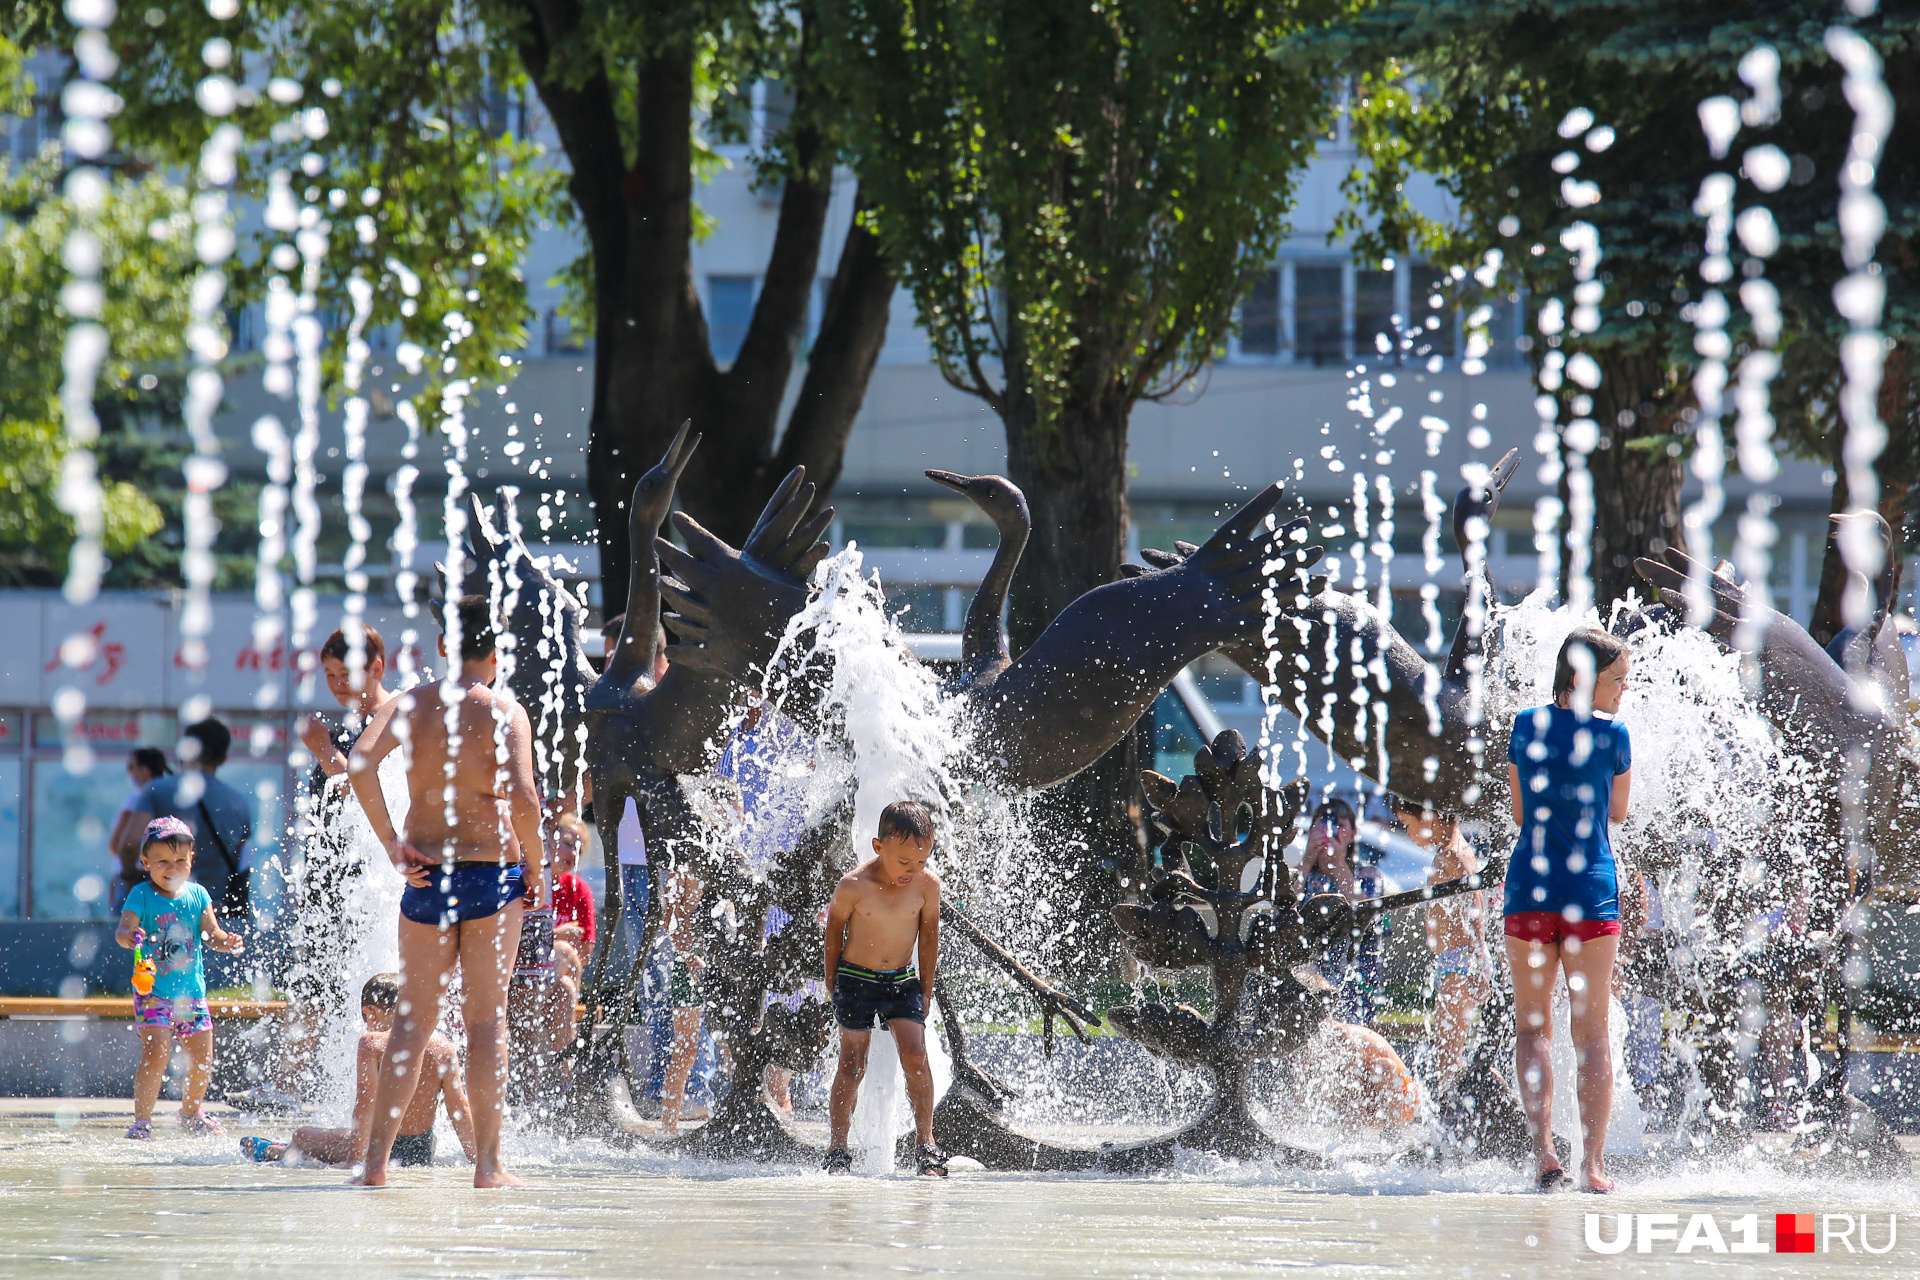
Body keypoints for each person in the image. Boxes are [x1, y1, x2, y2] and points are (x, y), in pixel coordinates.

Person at [346, 594, 547, 1188]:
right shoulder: (506, 712)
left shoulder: (412, 705)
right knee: (486, 1022)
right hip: (491, 875)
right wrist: (535, 869)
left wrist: (391, 844)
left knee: (411, 1020)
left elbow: (359, 762)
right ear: (496, 650)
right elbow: (528, 803)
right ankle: (488, 1166)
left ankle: (375, 1166)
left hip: (428, 874)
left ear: (441, 645)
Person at [235, 626, 402, 1113]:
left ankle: (378, 1093)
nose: (336, 685)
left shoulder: (393, 720)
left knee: (377, 982)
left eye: (345, 674)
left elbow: (368, 796)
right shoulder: (348, 723)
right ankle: (288, 1083)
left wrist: (324, 752)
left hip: (372, 880)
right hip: (333, 880)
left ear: (376, 667)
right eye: (329, 676)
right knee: (312, 980)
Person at [1504, 626, 1633, 1194]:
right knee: (1592, 1035)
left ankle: (1542, 1155)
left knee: (1533, 1026)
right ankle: (1594, 1167)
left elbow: (1517, 811)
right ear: (1582, 678)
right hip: (1590, 895)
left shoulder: (1525, 725)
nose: (1624, 691)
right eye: (1617, 680)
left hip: (1530, 889)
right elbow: (1619, 814)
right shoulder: (1614, 737)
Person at [821, 800, 946, 1177]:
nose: (913, 870)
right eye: (904, 862)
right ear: (879, 847)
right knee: (852, 1063)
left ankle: (927, 1143)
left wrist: (925, 987)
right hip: (856, 979)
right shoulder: (854, 885)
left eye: (921, 862)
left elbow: (929, 936)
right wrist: (832, 980)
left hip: (902, 981)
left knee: (915, 1054)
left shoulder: (928, 886)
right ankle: (838, 1148)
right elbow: (833, 934)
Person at [240, 974, 476, 1168]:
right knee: (339, 1135)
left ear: (370, 1012)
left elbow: (366, 1103)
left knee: (302, 1135)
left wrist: (355, 1160)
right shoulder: (442, 1045)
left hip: (379, 1149)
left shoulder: (373, 1043)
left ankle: (280, 1152)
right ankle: (292, 1153)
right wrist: (479, 1159)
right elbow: (460, 1109)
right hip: (420, 1151)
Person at [115, 817, 246, 1139]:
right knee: (156, 1052)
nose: (171, 868)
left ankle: (191, 1112)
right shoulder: (141, 895)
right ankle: (142, 1120)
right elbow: (121, 931)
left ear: (191, 860)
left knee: (202, 1057)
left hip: (190, 995)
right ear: (145, 862)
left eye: (179, 861)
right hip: (153, 993)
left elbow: (210, 934)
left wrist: (224, 941)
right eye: (162, 861)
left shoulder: (198, 895)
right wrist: (130, 935)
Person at [117, 719, 253, 933]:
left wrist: (129, 876)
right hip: (218, 915)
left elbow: (129, 844)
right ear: (224, 758)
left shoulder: (157, 790)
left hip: (162, 913)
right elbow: (242, 860)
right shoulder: (239, 802)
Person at [1396, 798, 1492, 1090]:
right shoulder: (1449, 852)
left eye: (1408, 826)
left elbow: (1474, 910)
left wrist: (1478, 962)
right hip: (1455, 960)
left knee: (1447, 1051)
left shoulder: (1452, 854)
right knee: (1447, 1046)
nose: (1409, 836)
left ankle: (1453, 1107)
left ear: (1429, 818)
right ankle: (1452, 1102)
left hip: (1460, 961)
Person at [659, 865, 708, 1136]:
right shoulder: (682, 865)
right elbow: (669, 919)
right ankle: (668, 1128)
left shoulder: (729, 854)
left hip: (721, 957)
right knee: (686, 1048)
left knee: (733, 1046)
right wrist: (689, 957)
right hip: (689, 963)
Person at [108, 748, 170, 913]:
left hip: (132, 878)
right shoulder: (167, 797)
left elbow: (117, 844)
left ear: (145, 770)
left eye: (132, 767)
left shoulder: (137, 800)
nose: (129, 772)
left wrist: (128, 874)